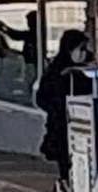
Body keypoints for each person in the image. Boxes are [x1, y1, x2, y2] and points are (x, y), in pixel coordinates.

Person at [35, 29, 93, 181]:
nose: (84, 53)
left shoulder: (86, 70)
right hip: (62, 127)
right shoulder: (56, 71)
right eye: (80, 49)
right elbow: (42, 98)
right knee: (66, 168)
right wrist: (59, 108)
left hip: (84, 125)